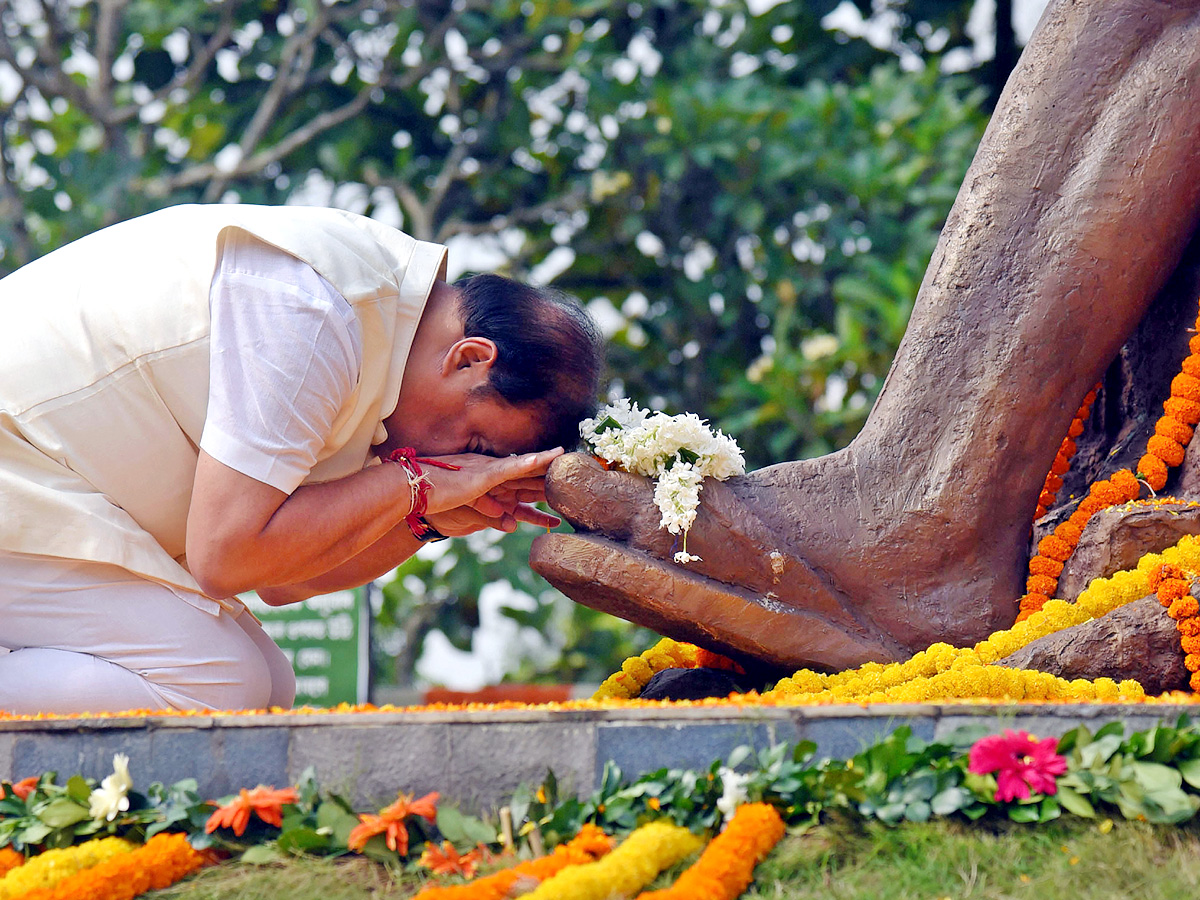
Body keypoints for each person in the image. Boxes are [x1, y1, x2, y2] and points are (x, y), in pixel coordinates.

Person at [0, 203, 604, 715]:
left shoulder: (377, 341)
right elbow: (227, 556)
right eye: (475, 449)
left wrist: (428, 518)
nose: (462, 467)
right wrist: (416, 484)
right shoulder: (316, 315)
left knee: (268, 683)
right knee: (219, 682)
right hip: (16, 464)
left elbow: (284, 577)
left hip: (37, 487)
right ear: (469, 359)